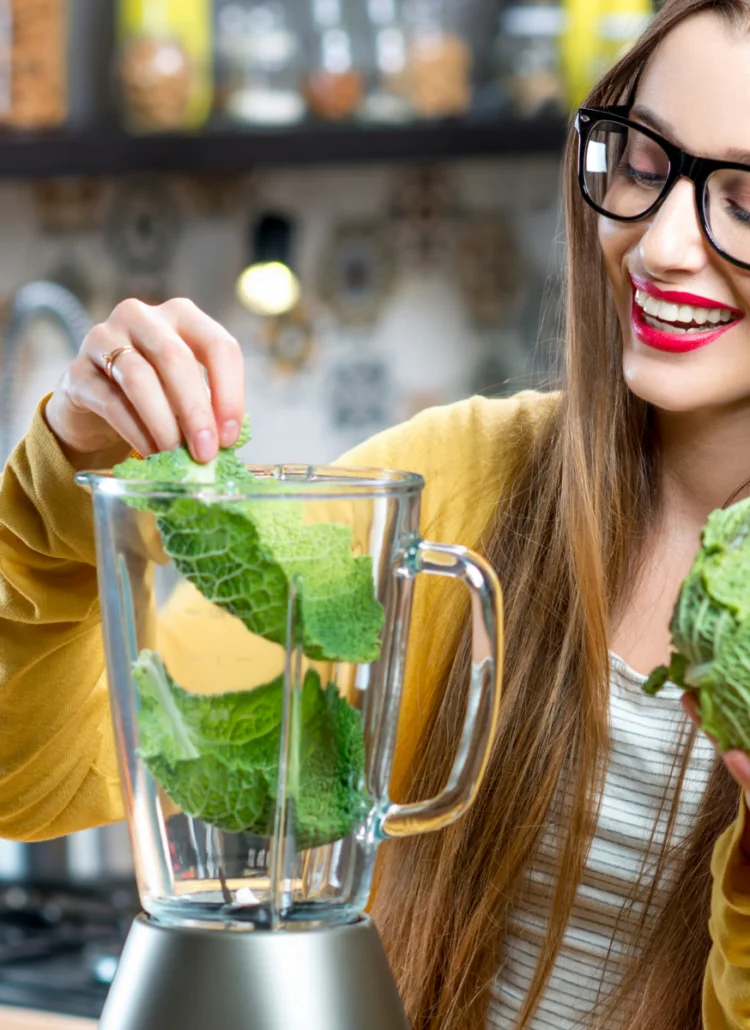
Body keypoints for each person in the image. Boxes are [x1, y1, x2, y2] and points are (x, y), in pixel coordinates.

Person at [3, 0, 750, 1026]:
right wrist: (64, 474)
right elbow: (44, 778)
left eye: (744, 201)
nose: (662, 245)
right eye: (644, 164)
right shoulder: (455, 483)